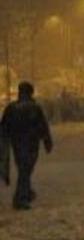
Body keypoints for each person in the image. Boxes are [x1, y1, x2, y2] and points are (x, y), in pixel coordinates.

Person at [0, 82, 52, 210]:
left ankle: (26, 192)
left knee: (23, 168)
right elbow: (42, 126)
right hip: (31, 143)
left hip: (17, 143)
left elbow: (4, 127)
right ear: (30, 92)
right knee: (26, 169)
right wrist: (47, 141)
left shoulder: (11, 108)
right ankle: (20, 198)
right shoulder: (35, 108)